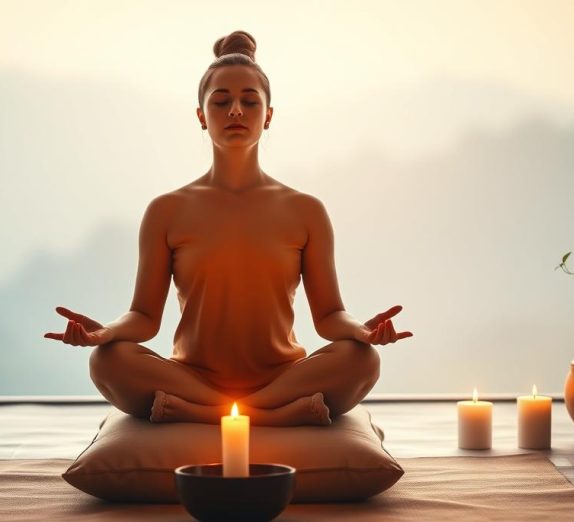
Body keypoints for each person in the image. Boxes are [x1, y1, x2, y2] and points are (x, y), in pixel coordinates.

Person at [44, 30, 412, 426]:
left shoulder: (306, 211)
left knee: (361, 360)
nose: (236, 110)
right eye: (221, 102)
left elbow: (330, 316)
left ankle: (210, 414)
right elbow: (143, 317)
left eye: (250, 101)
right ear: (202, 117)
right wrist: (106, 333)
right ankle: (265, 416)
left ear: (268, 116)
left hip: (283, 376)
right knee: (108, 361)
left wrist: (361, 330)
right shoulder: (166, 211)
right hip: (193, 377)